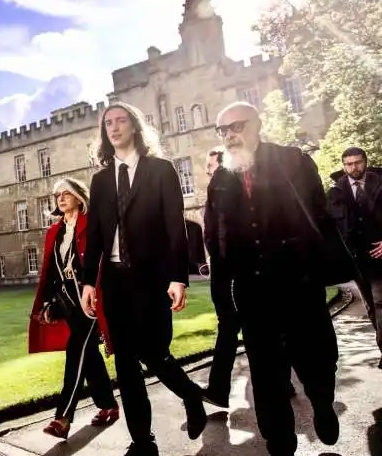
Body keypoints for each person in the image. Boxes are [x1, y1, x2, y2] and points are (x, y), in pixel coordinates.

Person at [204, 101, 354, 455]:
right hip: (252, 290)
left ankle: (321, 403)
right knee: (266, 372)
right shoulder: (220, 180)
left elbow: (318, 214)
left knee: (318, 358)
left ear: (257, 125)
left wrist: (318, 265)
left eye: (236, 126)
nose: (229, 136)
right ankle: (279, 438)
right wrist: (222, 294)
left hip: (299, 283)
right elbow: (216, 238)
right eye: (222, 130)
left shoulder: (292, 161)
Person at [80, 102, 207, 456]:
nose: (115, 127)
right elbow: (96, 239)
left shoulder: (161, 170)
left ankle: (191, 395)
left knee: (153, 352)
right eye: (108, 123)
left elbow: (175, 228)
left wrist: (177, 277)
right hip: (115, 282)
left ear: (134, 127)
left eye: (121, 121)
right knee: (124, 363)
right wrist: (90, 283)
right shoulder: (101, 180)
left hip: (151, 278)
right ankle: (142, 441)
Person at [201, 147, 296, 409]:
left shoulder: (241, 193)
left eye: (212, 166)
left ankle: (281, 383)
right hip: (223, 273)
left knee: (266, 327)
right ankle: (220, 389)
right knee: (229, 328)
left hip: (244, 273)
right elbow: (212, 233)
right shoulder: (214, 194)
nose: (209, 172)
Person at [28, 177, 121, 440]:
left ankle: (63, 417)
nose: (61, 198)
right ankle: (108, 406)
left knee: (76, 351)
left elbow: (101, 260)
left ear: (79, 196)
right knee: (88, 354)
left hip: (90, 298)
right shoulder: (54, 231)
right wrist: (47, 302)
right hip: (66, 301)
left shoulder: (91, 224)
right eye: (57, 194)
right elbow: (49, 272)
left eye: (66, 193)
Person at [326, 146, 382, 366]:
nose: (353, 167)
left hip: (379, 256)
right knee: (369, 305)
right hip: (355, 260)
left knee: (380, 302)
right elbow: (331, 228)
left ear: (365, 162)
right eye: (348, 164)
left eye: (357, 162)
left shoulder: (379, 183)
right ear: (343, 165)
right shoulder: (335, 193)